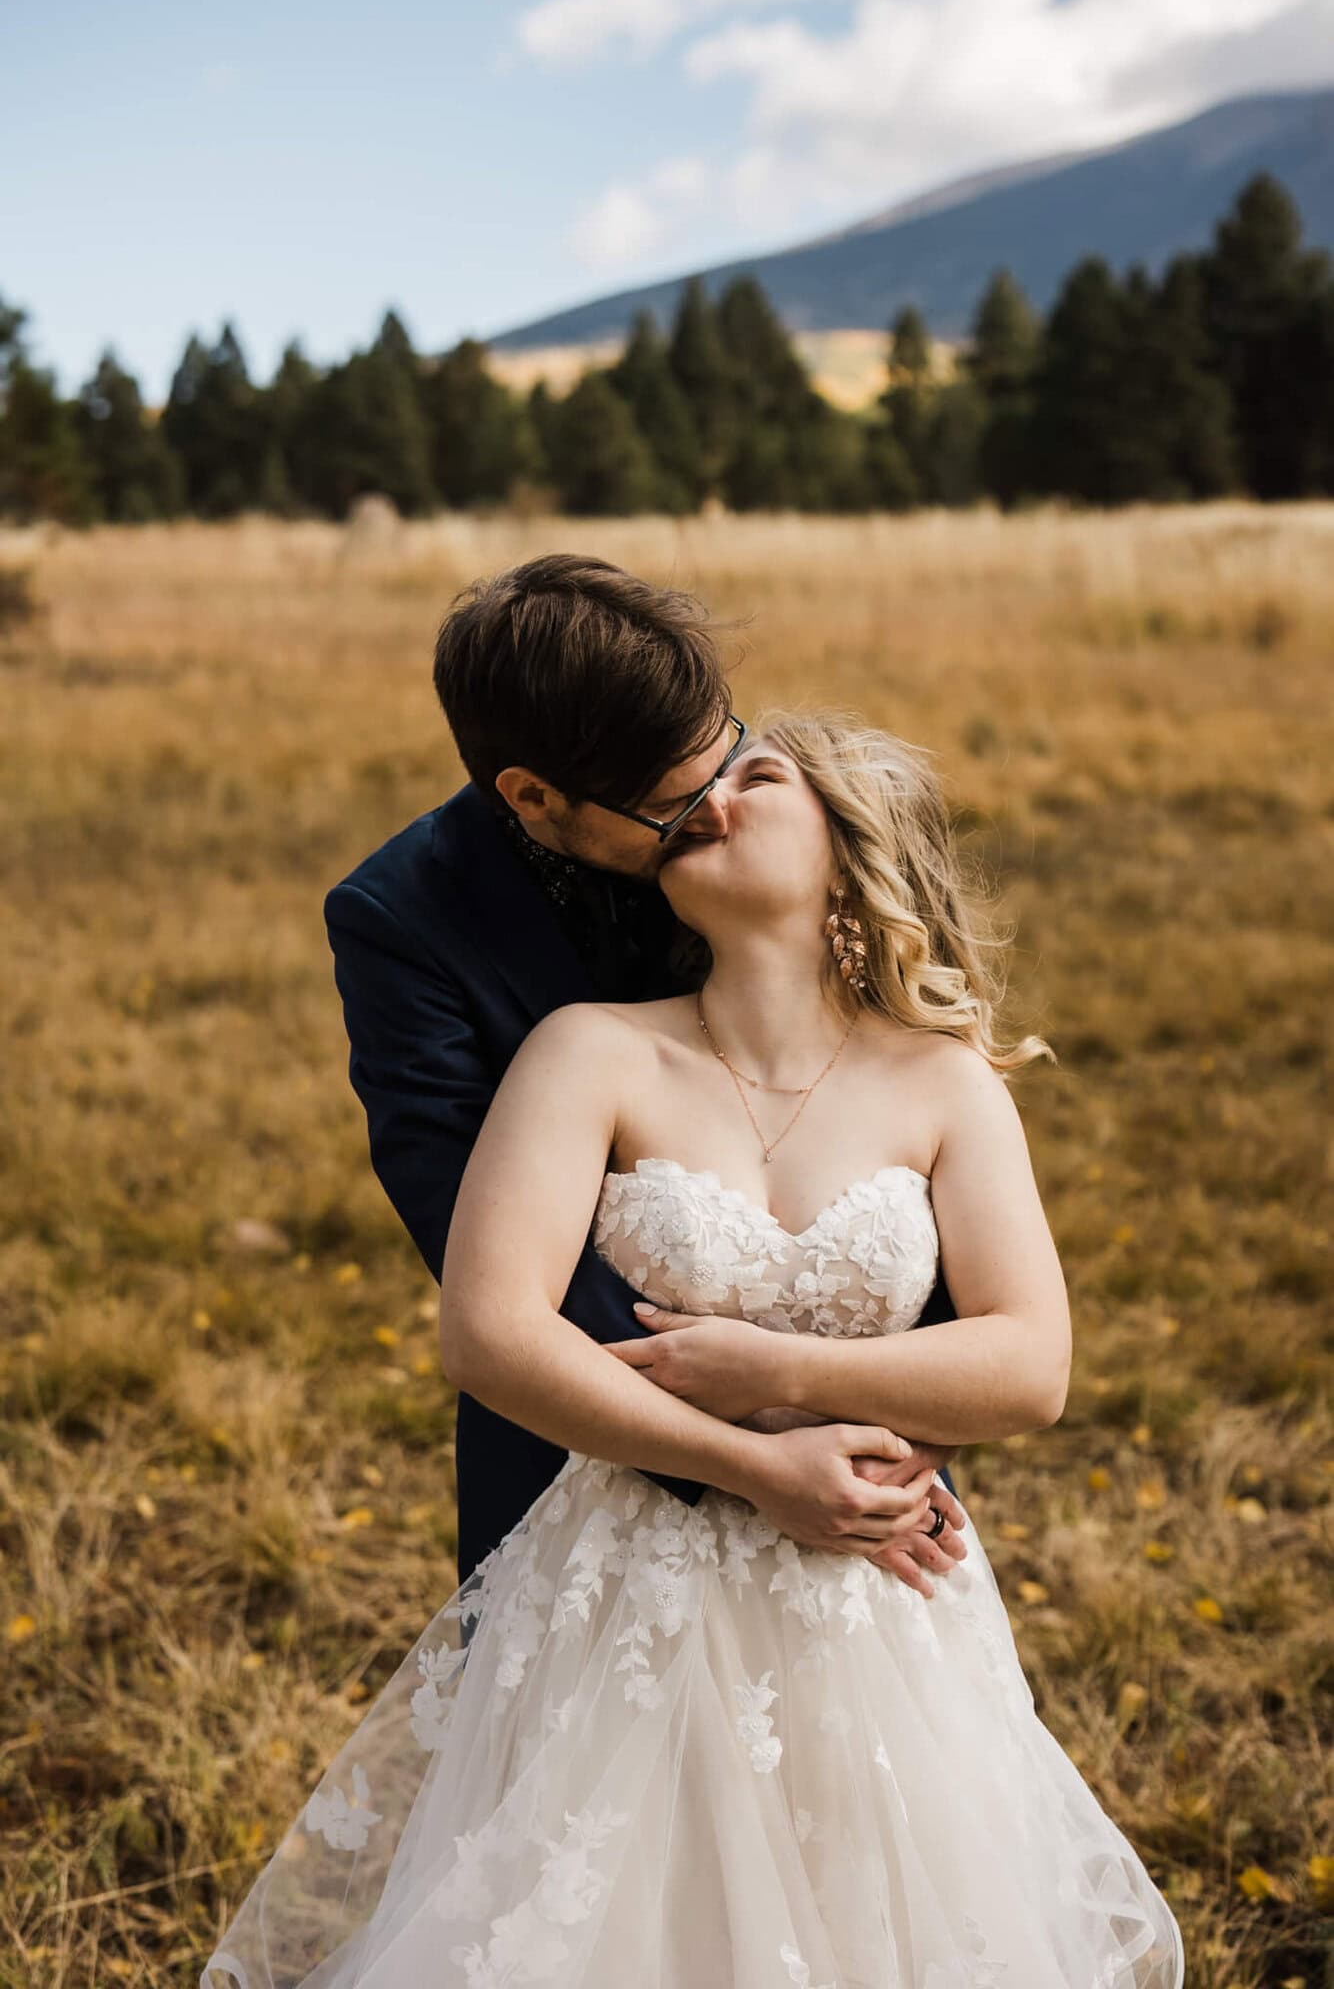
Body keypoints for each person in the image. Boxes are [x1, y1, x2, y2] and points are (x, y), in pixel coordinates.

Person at [202, 708, 1184, 1988]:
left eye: (756, 775)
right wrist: (751, 1458)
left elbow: (1029, 1364)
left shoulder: (946, 1086)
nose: (707, 798)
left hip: (863, 1593)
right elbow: (490, 1331)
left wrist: (777, 1373)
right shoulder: (592, 1049)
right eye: (699, 787)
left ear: (849, 846)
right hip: (625, 1593)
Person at [319, 554, 965, 1595]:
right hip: (590, 1470)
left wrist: (892, 1415)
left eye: (731, 759)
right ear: (532, 797)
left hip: (864, 1468)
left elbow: (898, 1130)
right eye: (675, 807)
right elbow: (484, 1258)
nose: (719, 813)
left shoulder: (746, 826)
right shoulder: (403, 922)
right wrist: (759, 1452)